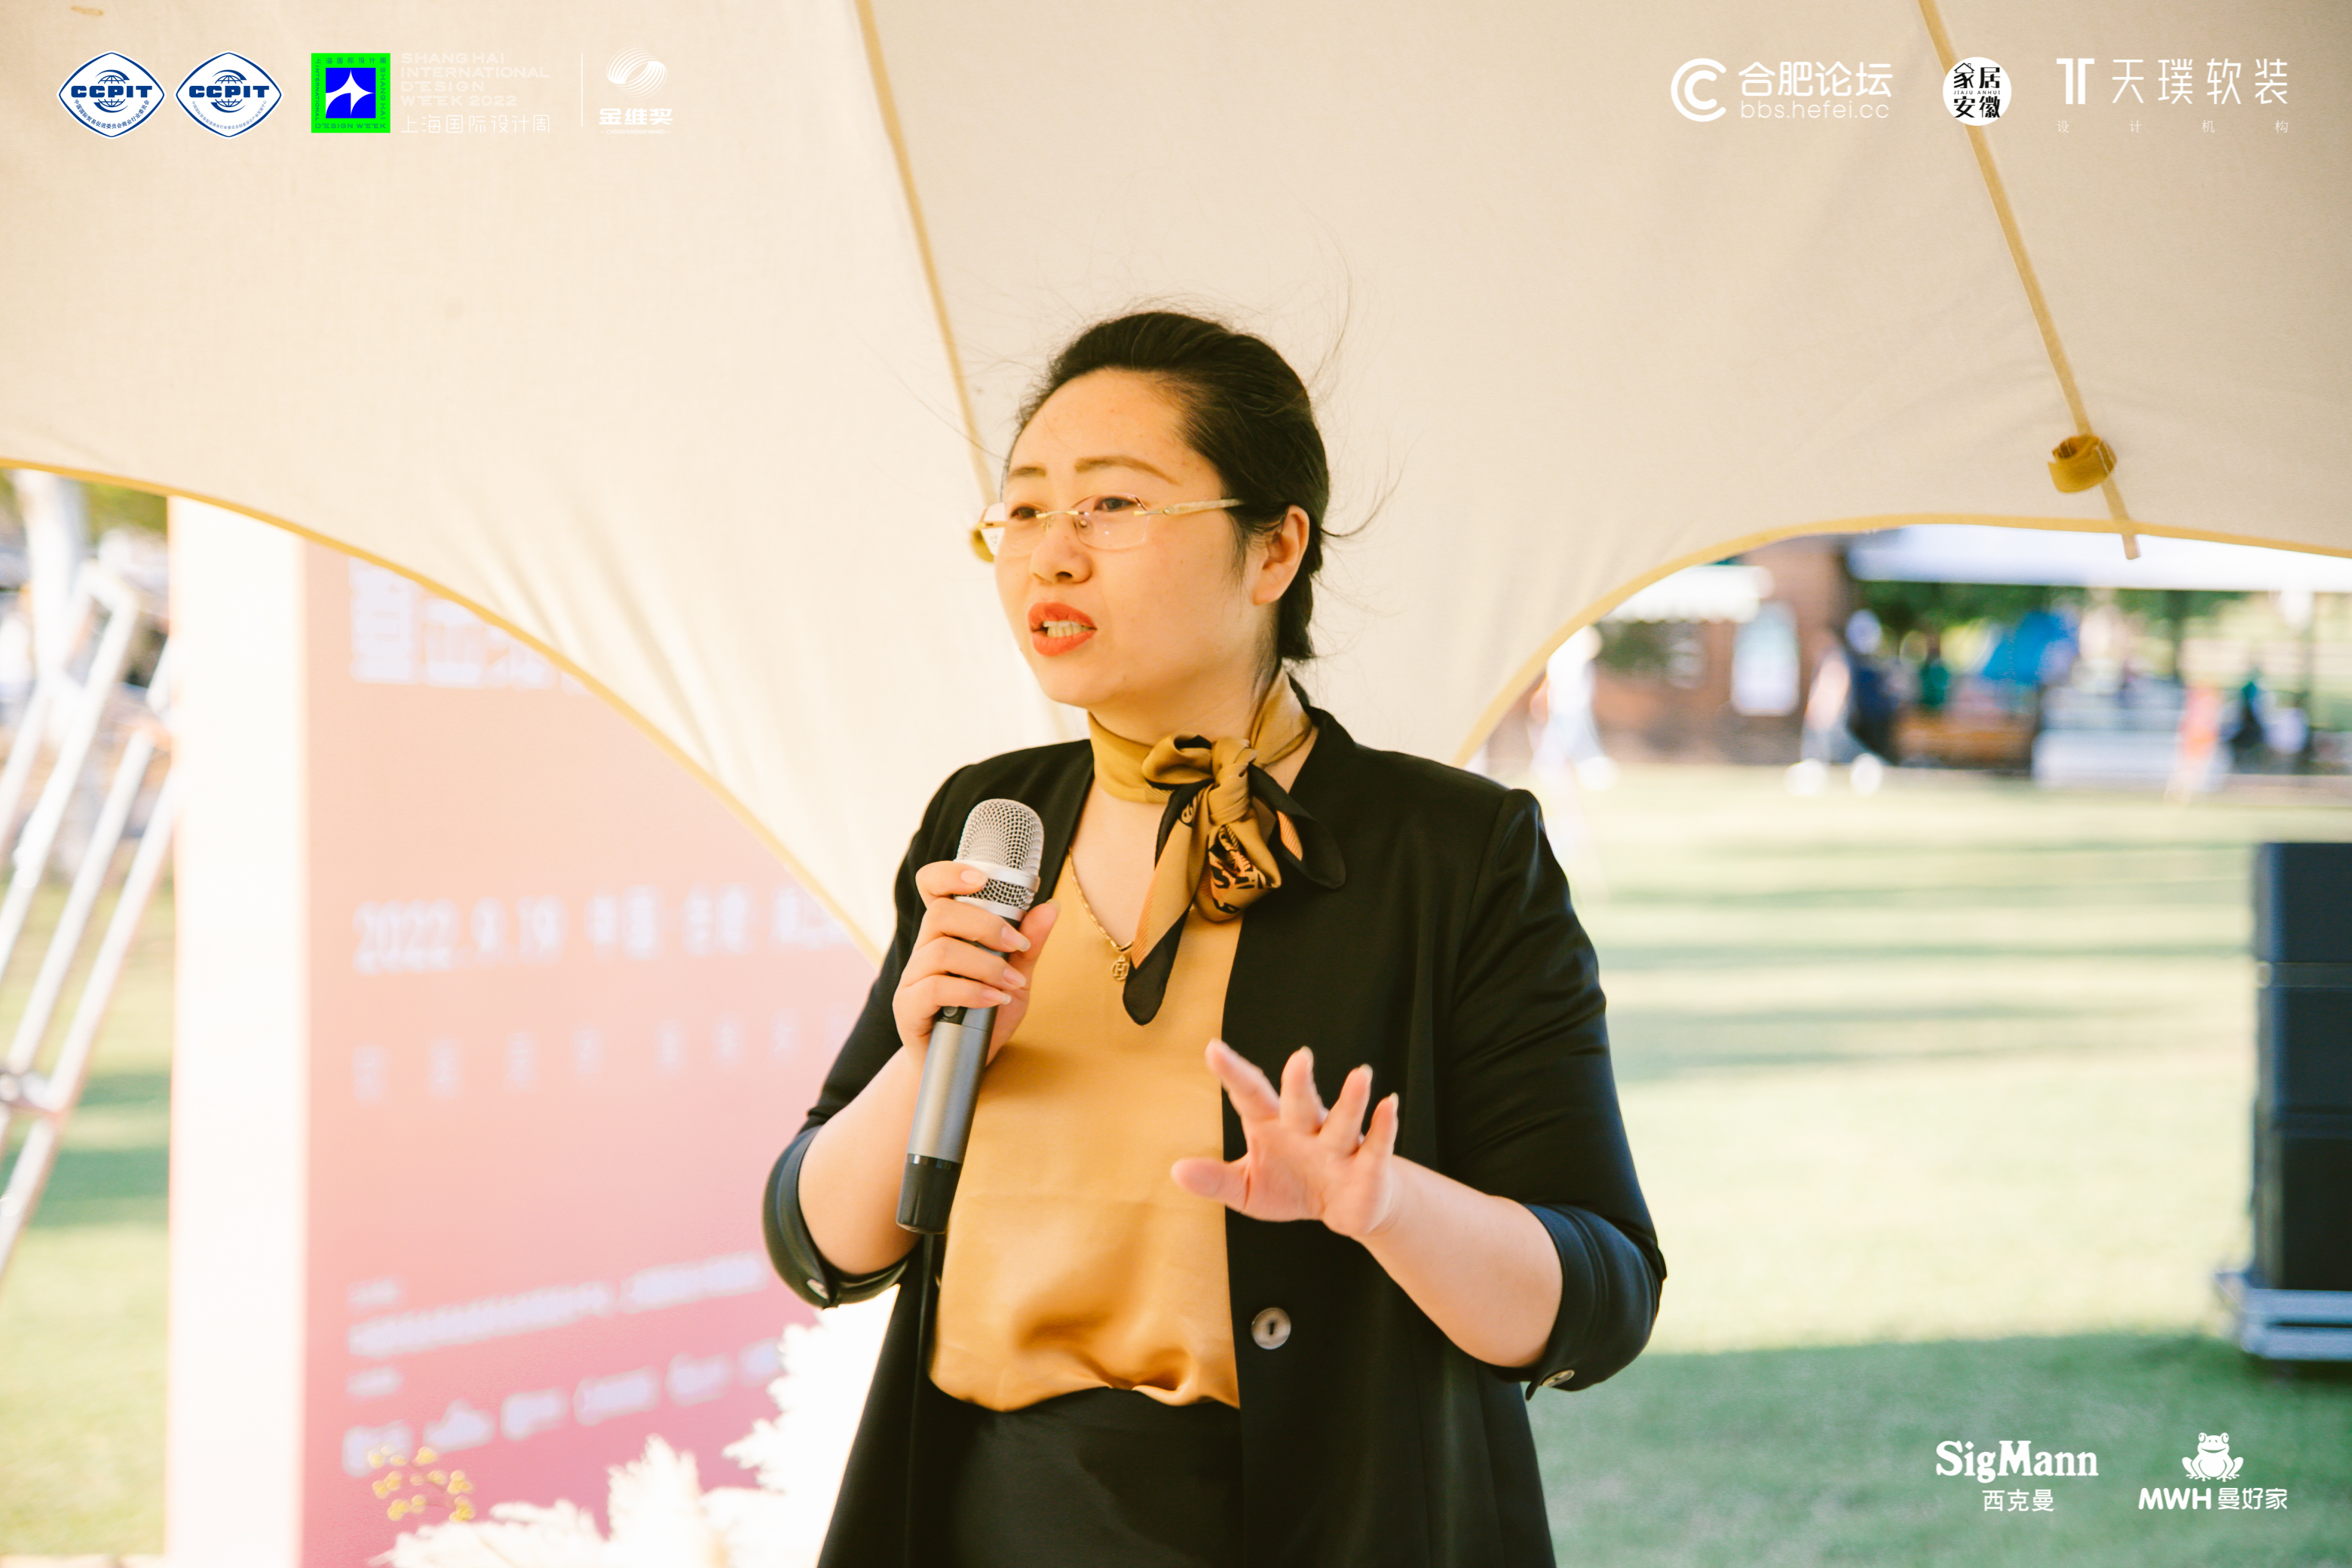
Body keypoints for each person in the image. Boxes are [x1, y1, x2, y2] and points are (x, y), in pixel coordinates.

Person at [761, 311, 1664, 1568]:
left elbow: (1603, 1296)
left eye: (1112, 505)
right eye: (1025, 509)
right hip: (982, 1519)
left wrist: (1385, 1206)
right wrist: (926, 1058)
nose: (1050, 554)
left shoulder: (1452, 851)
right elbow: (819, 1243)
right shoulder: (994, 815)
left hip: (1314, 1525)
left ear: (1274, 548)